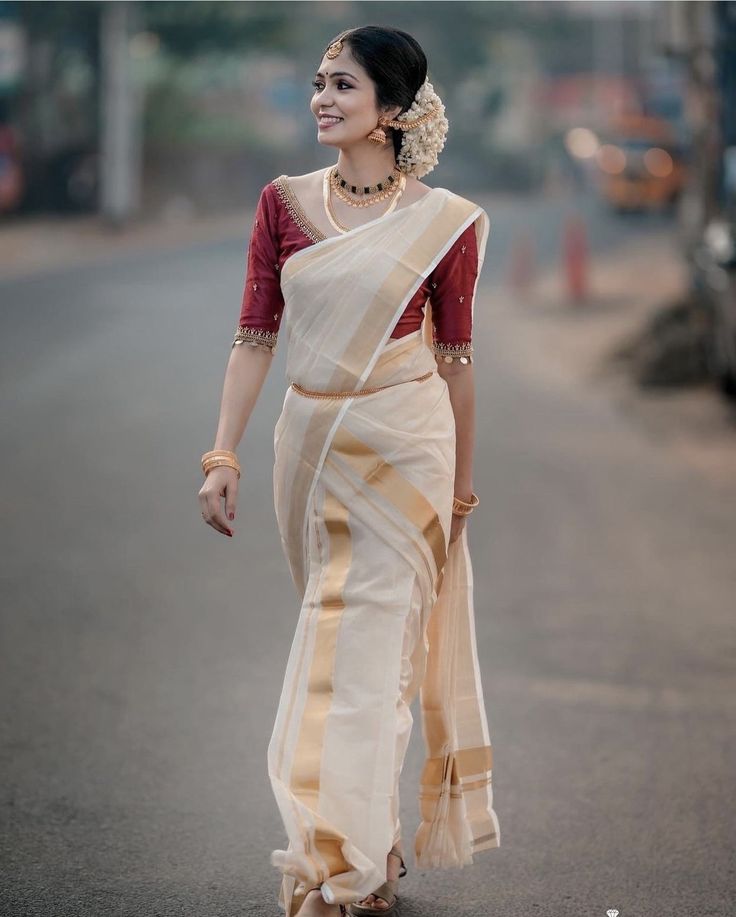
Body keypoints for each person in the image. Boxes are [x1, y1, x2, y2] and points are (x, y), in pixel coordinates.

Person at [198, 26, 501, 917]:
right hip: (313, 450)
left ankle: (339, 866)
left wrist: (461, 494)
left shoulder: (441, 224)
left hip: (407, 448)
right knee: (361, 658)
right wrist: (224, 453)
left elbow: (457, 364)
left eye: (343, 85)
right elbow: (254, 339)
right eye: (318, 83)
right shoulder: (282, 204)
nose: (322, 99)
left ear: (394, 111)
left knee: (360, 657)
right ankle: (369, 837)